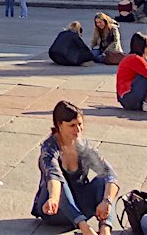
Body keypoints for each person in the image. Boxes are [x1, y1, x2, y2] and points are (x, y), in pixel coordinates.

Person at [30, 101, 118, 235]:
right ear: (59, 125)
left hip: (81, 206)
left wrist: (107, 201)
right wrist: (53, 199)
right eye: (72, 125)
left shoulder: (84, 147)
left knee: (103, 179)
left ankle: (105, 229)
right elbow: (53, 176)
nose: (78, 130)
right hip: (55, 210)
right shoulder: (49, 148)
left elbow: (110, 174)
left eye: (80, 124)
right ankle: (85, 229)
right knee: (61, 181)